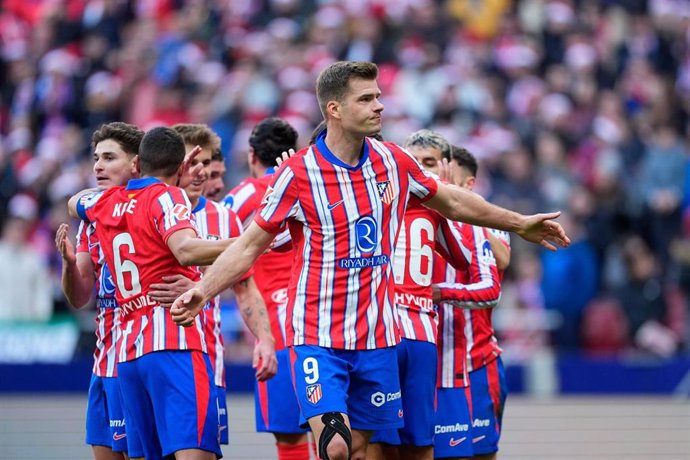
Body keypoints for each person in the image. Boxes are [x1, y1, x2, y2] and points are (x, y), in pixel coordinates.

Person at [170, 61, 569, 460]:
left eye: (378, 96)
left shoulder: (392, 161)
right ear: (335, 110)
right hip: (317, 337)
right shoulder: (298, 174)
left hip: (377, 339)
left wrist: (520, 224)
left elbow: (452, 200)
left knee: (361, 449)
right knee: (337, 447)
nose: (379, 106)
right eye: (366, 98)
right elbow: (247, 246)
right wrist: (203, 290)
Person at [69, 126, 252, 460]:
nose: (99, 166)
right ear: (181, 169)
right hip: (174, 342)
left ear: (137, 163)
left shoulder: (106, 203)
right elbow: (184, 250)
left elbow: (75, 203)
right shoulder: (168, 197)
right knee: (195, 452)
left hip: (127, 352)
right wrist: (253, 243)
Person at [369, 130, 498, 460]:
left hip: (459, 364)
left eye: (429, 164)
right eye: (415, 163)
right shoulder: (386, 206)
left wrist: (441, 292)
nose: (421, 171)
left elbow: (492, 281)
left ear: (448, 170)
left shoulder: (474, 221)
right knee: (377, 445)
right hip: (397, 340)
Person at [148, 123, 276, 447]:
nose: (202, 172)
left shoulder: (225, 218)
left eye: (205, 163)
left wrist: (264, 339)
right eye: (193, 163)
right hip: (148, 357)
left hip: (206, 361)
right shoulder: (144, 209)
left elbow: (245, 288)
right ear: (174, 166)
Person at [224, 117, 312, 460]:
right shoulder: (311, 185)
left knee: (289, 439)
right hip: (319, 318)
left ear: (251, 155)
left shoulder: (246, 194)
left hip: (275, 327)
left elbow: (216, 241)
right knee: (333, 427)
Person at [55, 121, 142, 460]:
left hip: (136, 359)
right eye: (96, 158)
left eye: (109, 157)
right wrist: (67, 264)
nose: (98, 166)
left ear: (135, 163)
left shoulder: (149, 208)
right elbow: (79, 298)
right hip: (102, 363)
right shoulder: (91, 222)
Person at [433, 146, 510, 460]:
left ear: (467, 185)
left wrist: (461, 208)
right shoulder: (418, 216)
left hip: (477, 361)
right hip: (429, 361)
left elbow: (504, 258)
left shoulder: (487, 223)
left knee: (480, 454)